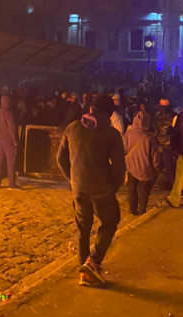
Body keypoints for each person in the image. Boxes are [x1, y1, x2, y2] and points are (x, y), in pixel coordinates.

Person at [57, 95, 126, 287]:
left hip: (78, 188)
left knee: (83, 226)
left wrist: (73, 179)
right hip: (102, 189)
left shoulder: (72, 128)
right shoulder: (112, 134)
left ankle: (83, 266)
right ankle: (93, 262)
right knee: (110, 222)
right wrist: (113, 186)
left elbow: (60, 159)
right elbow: (119, 167)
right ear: (110, 114)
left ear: (90, 109)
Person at [124, 111, 161, 215]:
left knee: (132, 189)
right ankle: (142, 211)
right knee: (143, 192)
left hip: (131, 167)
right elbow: (155, 156)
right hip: (145, 169)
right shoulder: (149, 137)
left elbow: (123, 149)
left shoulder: (128, 134)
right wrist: (156, 168)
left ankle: (132, 210)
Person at [0, 95, 19, 189]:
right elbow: (12, 128)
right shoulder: (9, 113)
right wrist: (15, 140)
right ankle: (11, 184)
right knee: (10, 163)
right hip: (8, 141)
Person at [154, 98, 177, 189]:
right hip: (159, 145)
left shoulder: (174, 117)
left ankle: (176, 189)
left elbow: (176, 132)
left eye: (165, 105)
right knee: (157, 167)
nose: (163, 107)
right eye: (161, 105)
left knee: (169, 168)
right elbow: (155, 130)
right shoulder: (157, 116)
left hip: (168, 146)